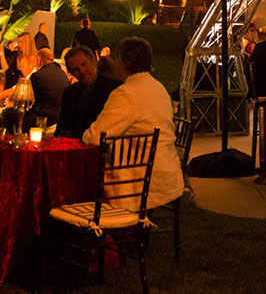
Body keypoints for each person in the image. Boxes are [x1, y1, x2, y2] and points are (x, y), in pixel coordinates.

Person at [82, 37, 184, 211]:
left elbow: (93, 137)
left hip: (138, 181)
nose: (114, 62)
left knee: (81, 178)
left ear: (125, 61)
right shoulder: (159, 88)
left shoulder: (126, 94)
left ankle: (96, 231)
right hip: (168, 175)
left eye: (116, 58)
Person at [56, 45, 121, 139]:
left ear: (94, 60)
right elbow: (61, 127)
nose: (82, 71)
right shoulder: (70, 93)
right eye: (76, 69)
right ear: (71, 72)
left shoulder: (113, 88)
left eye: (84, 64)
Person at [27, 47, 69, 128]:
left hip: (44, 117)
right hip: (61, 116)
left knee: (9, 114)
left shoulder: (37, 75)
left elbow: (27, 99)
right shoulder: (62, 73)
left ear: (39, 60)